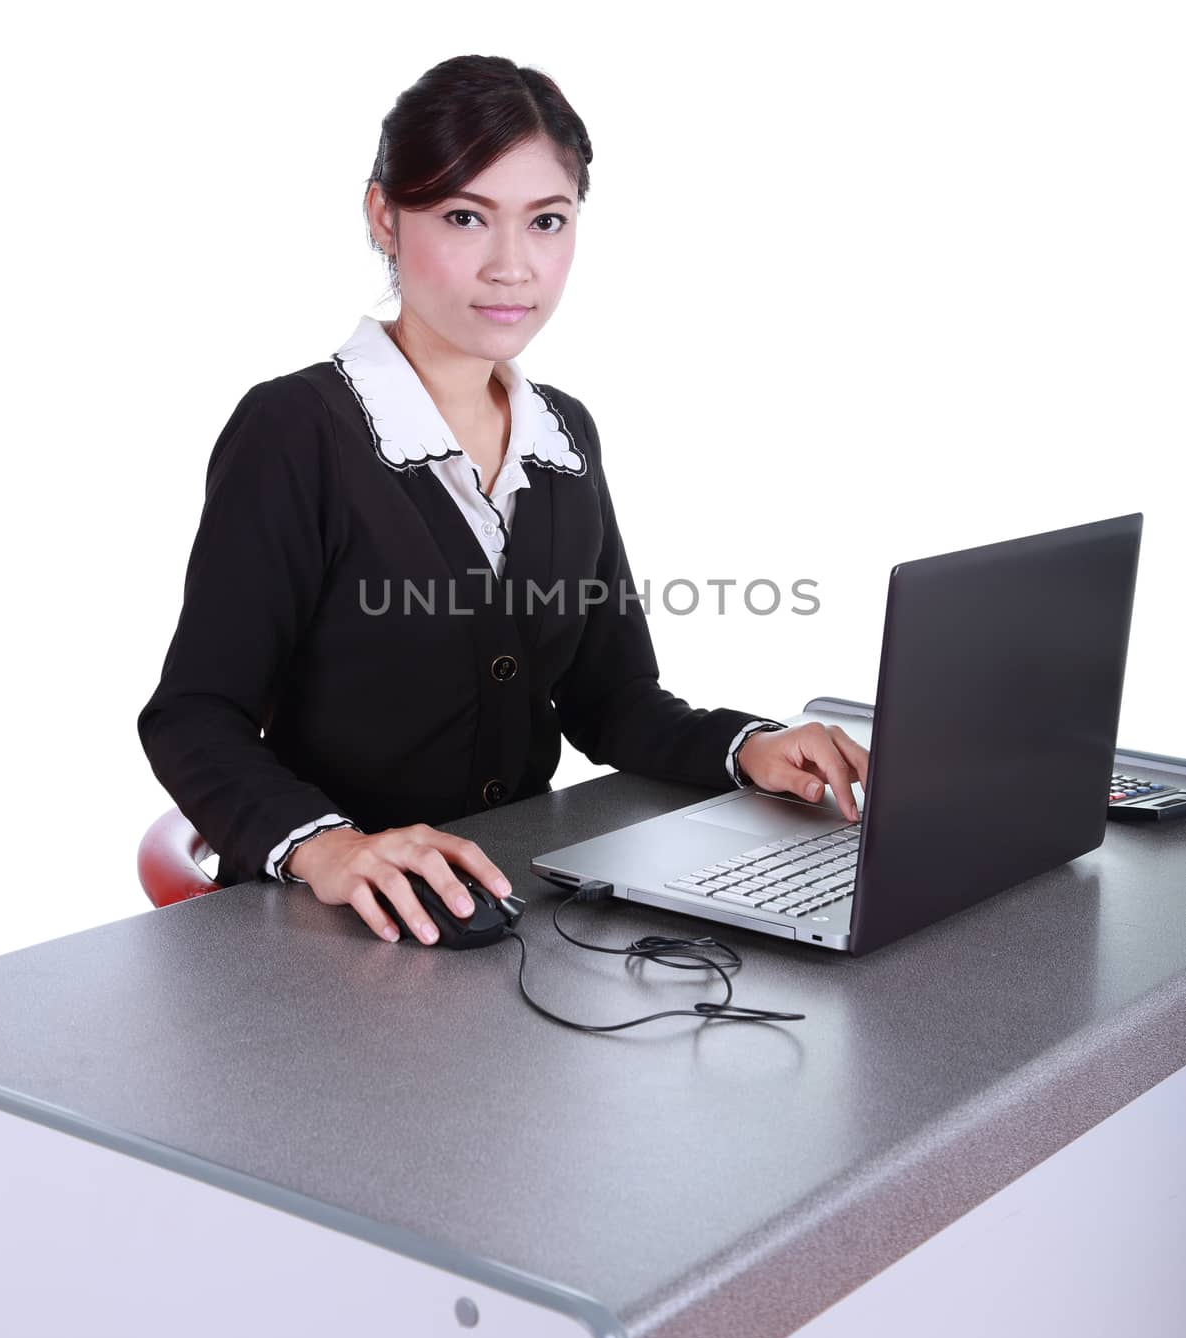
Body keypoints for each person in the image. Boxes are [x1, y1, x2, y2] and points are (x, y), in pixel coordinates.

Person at [137, 53, 868, 947]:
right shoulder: (298, 431)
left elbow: (612, 697)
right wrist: (330, 848)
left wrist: (743, 745)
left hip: (516, 911)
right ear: (383, 217)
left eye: (547, 221)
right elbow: (192, 715)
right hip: (339, 929)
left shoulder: (562, 436)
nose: (512, 266)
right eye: (463, 217)